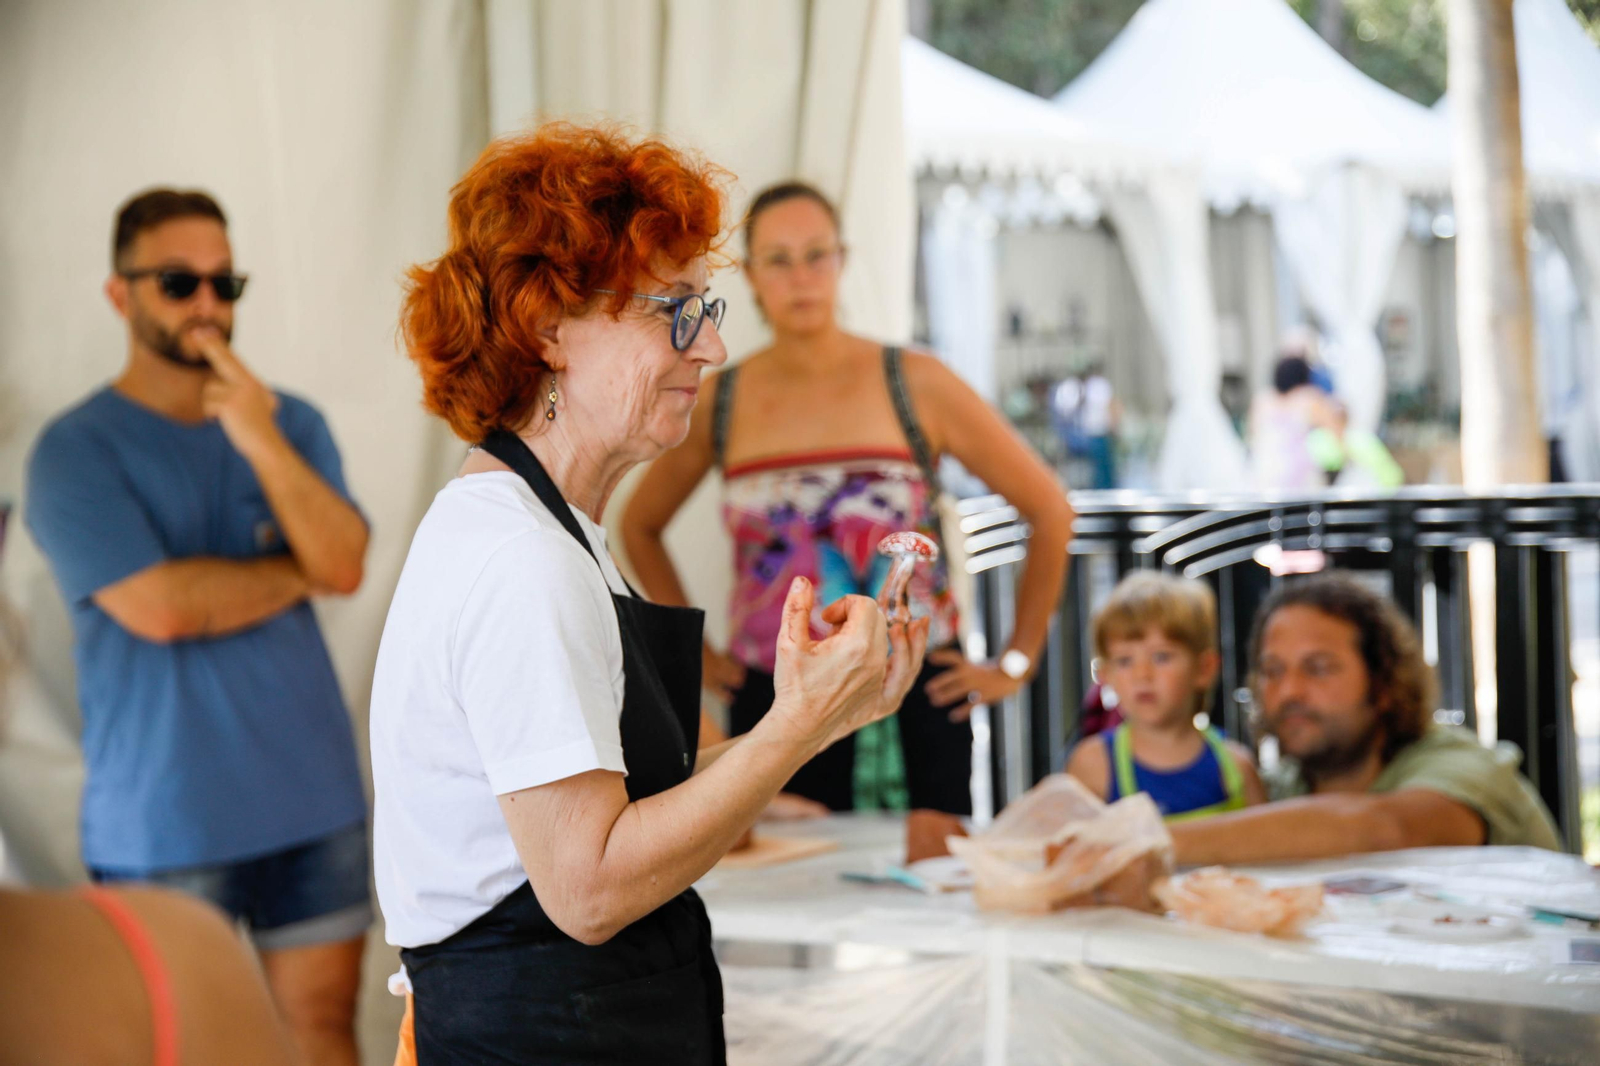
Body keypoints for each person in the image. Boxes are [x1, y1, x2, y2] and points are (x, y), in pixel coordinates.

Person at [372, 124, 928, 1065]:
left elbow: (623, 793)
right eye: (672, 309)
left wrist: (827, 714)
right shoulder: (521, 559)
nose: (710, 345)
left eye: (704, 307)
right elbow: (587, 888)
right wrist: (794, 729)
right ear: (548, 328)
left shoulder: (554, 531)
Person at [23, 188, 371, 1066]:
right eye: (179, 283)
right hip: (163, 822)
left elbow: (344, 564)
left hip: (313, 800)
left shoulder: (290, 423)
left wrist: (258, 440)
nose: (208, 304)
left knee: (322, 1027)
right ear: (120, 294)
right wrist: (296, 573)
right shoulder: (73, 450)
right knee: (186, 1046)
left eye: (226, 282)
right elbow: (161, 608)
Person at [622, 180, 1074, 816]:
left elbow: (1050, 509)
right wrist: (696, 652)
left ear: (843, 260)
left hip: (918, 692)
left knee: (928, 871)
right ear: (750, 276)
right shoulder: (721, 398)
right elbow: (638, 525)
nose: (801, 277)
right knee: (793, 868)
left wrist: (1017, 660)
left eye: (817, 255)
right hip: (776, 699)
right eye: (779, 260)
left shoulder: (917, 382)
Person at [1170, 572, 1562, 866]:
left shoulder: (1463, 765)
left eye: (1318, 668)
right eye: (1272, 671)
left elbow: (1385, 830)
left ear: (1383, 682)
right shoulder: (1277, 788)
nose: (1289, 691)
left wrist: (1155, 841)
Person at [1065, 573, 1266, 819]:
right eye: (1125, 660)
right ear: (1106, 675)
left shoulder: (1236, 767)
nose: (1142, 675)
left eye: (1161, 657)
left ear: (1204, 669)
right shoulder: (1093, 766)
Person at [1249, 353, 1345, 492]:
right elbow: (1337, 434)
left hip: (1263, 475)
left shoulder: (1262, 400)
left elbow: (1253, 436)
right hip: (1299, 479)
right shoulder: (1309, 398)